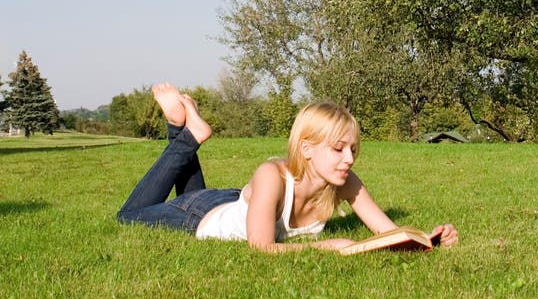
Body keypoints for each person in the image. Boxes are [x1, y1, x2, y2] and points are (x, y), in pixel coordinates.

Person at [117, 83, 458, 253]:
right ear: (306, 149)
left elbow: (386, 231)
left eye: (353, 149)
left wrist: (427, 240)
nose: (349, 159)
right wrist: (324, 246)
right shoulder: (272, 174)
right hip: (200, 217)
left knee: (196, 192)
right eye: (338, 149)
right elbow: (261, 247)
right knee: (129, 215)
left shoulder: (344, 181)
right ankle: (186, 135)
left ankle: (183, 130)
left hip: (236, 203)